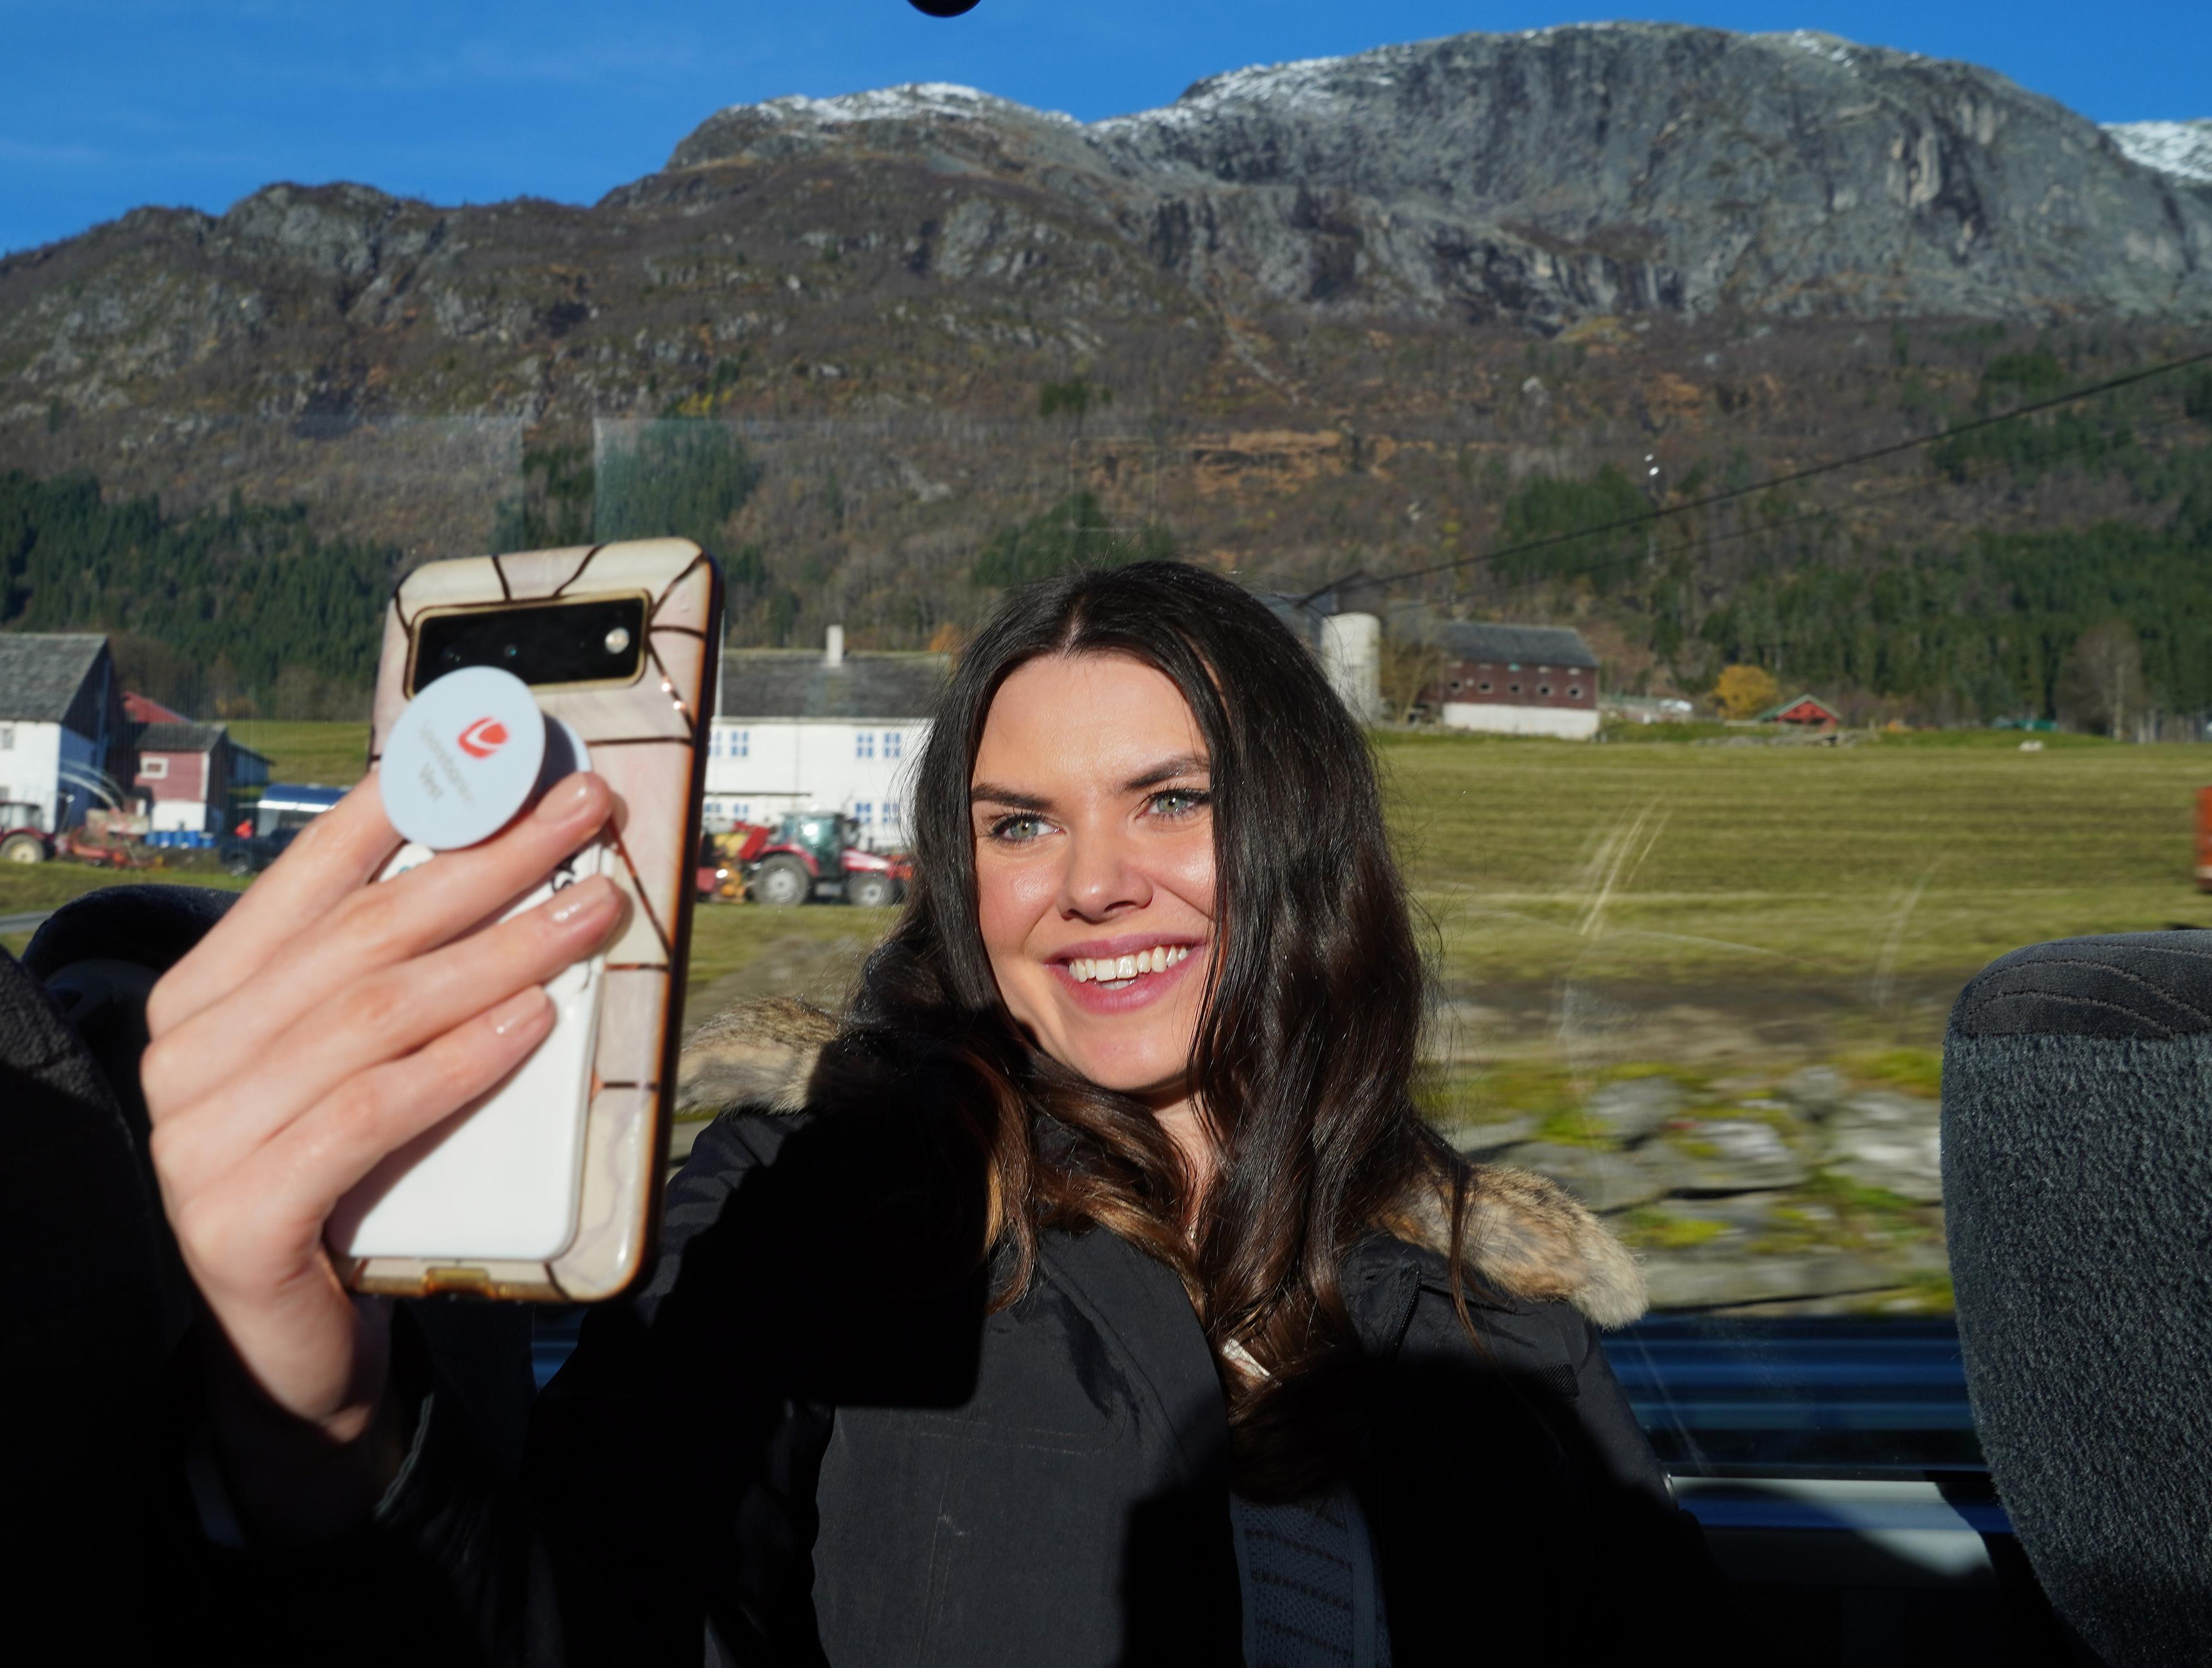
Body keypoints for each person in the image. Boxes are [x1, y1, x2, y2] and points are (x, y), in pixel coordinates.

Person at [143, 561, 1725, 1664]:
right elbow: (584, 1621)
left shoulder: (1493, 1317)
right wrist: (324, 1428)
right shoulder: (830, 1213)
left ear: (1309, 844)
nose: (1096, 880)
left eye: (1174, 799)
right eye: (1023, 822)